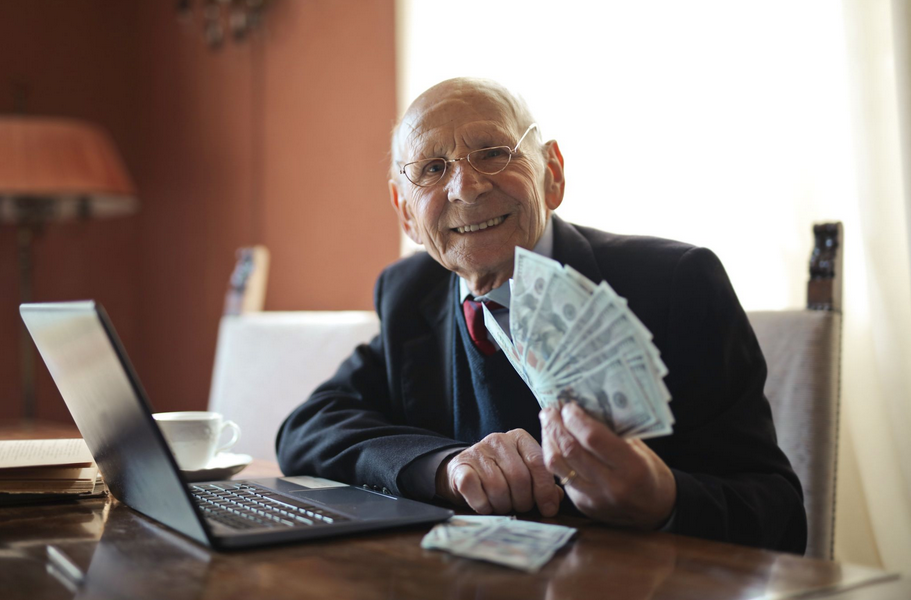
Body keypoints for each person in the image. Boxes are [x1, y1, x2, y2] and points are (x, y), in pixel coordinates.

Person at [276, 77, 808, 553]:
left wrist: (661, 498)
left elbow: (779, 514)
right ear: (405, 213)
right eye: (433, 169)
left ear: (552, 172)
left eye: (492, 153)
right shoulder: (410, 293)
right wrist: (445, 466)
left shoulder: (676, 283)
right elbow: (308, 428)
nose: (467, 186)